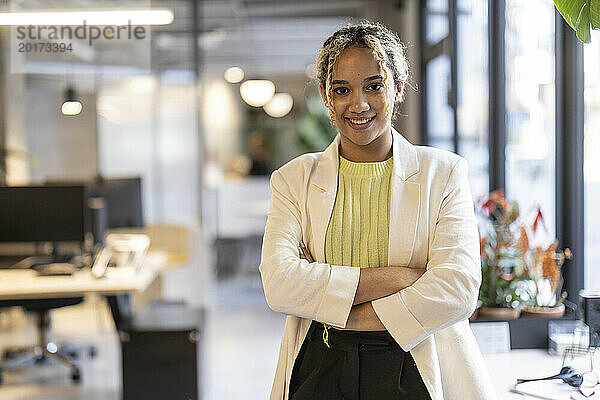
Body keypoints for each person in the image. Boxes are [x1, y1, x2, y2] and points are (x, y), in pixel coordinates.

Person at [259, 21, 495, 400]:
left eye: (374, 85)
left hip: (413, 359)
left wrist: (338, 307)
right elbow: (280, 284)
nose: (359, 104)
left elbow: (458, 288)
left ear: (398, 88)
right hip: (321, 362)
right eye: (342, 90)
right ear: (325, 96)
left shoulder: (444, 173)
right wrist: (404, 277)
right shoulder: (293, 180)